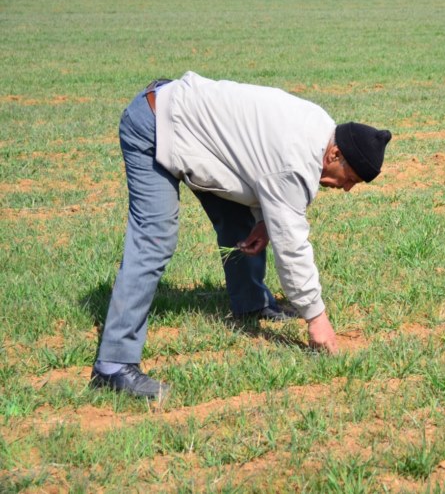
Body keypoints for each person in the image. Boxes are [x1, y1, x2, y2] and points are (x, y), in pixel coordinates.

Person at [91, 71, 392, 398]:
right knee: (155, 239)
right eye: (351, 178)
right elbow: (292, 248)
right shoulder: (297, 158)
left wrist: (264, 224)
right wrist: (316, 318)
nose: (347, 188)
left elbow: (261, 168)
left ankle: (251, 303)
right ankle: (113, 365)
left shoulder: (323, 130)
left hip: (193, 128)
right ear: (335, 155)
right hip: (155, 124)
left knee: (241, 221)